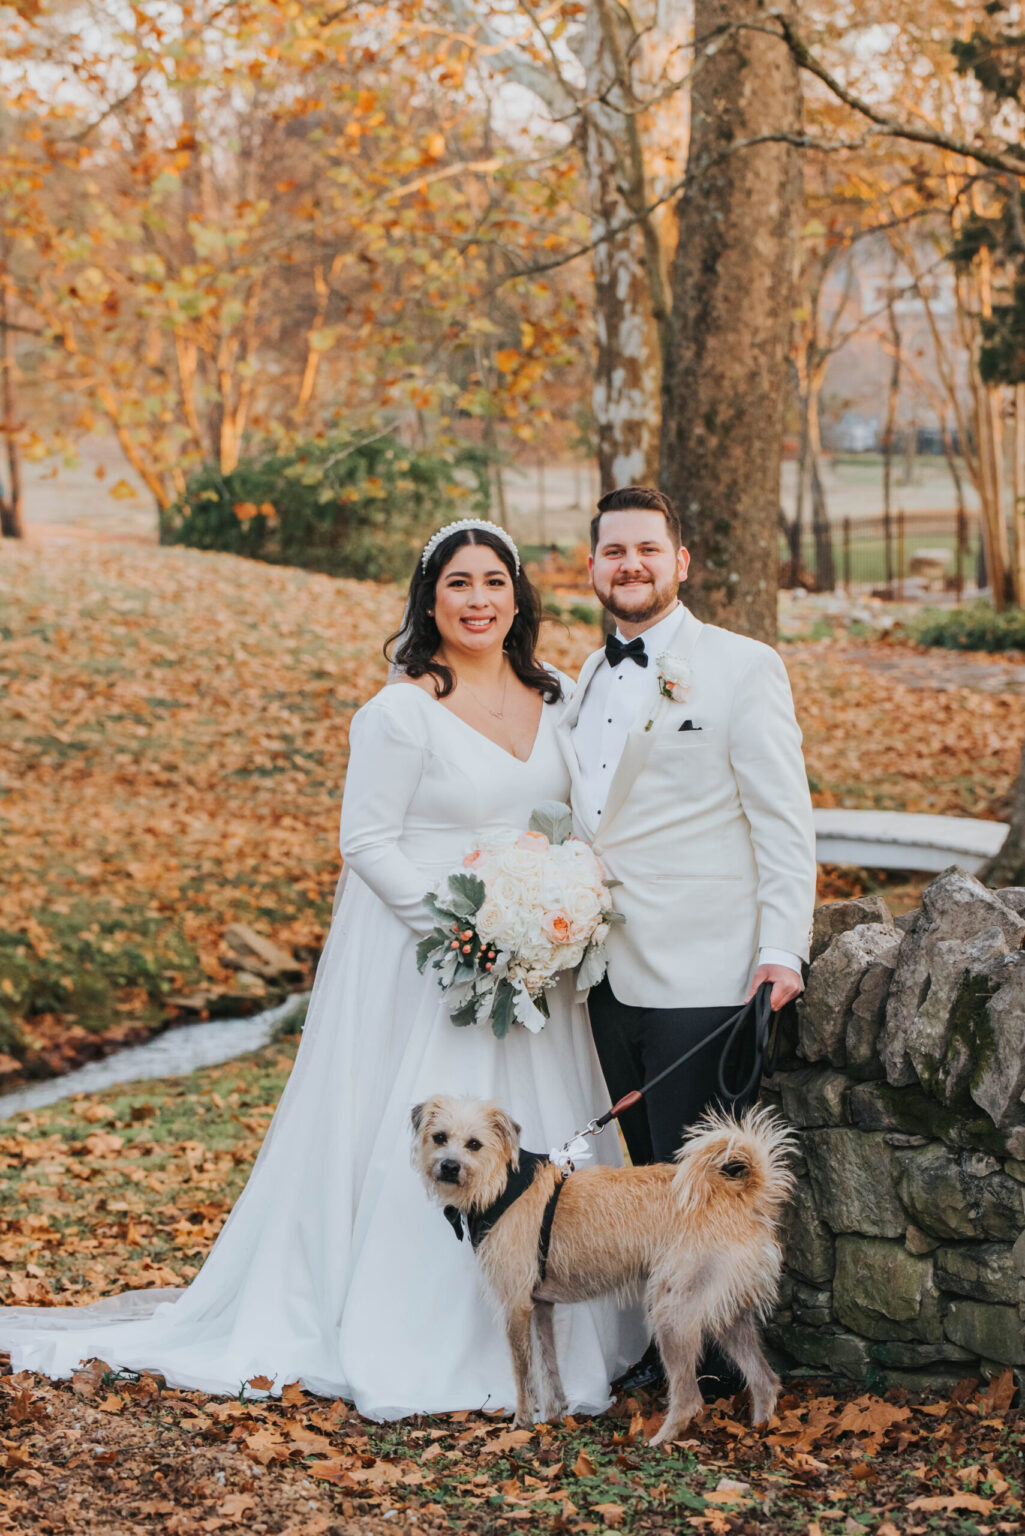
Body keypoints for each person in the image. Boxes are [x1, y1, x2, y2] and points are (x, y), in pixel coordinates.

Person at [0, 519, 644, 1417]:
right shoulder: (398, 711)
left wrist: (551, 918)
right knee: (421, 1121)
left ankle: (561, 1321)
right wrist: (460, 933)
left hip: (534, 965)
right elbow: (366, 840)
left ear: (518, 596)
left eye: (493, 582)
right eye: (457, 584)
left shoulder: (558, 693)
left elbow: (574, 818)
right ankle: (418, 1332)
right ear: (429, 601)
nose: (478, 600)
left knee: (530, 1129)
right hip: (427, 954)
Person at [558, 485, 817, 1393]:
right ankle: (666, 1350)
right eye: (611, 552)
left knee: (700, 1185)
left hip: (707, 967)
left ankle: (708, 1366)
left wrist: (781, 947)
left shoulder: (743, 667)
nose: (628, 565)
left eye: (645, 549)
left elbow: (782, 818)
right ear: (590, 568)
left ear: (680, 562)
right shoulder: (581, 680)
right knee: (642, 1178)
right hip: (603, 971)